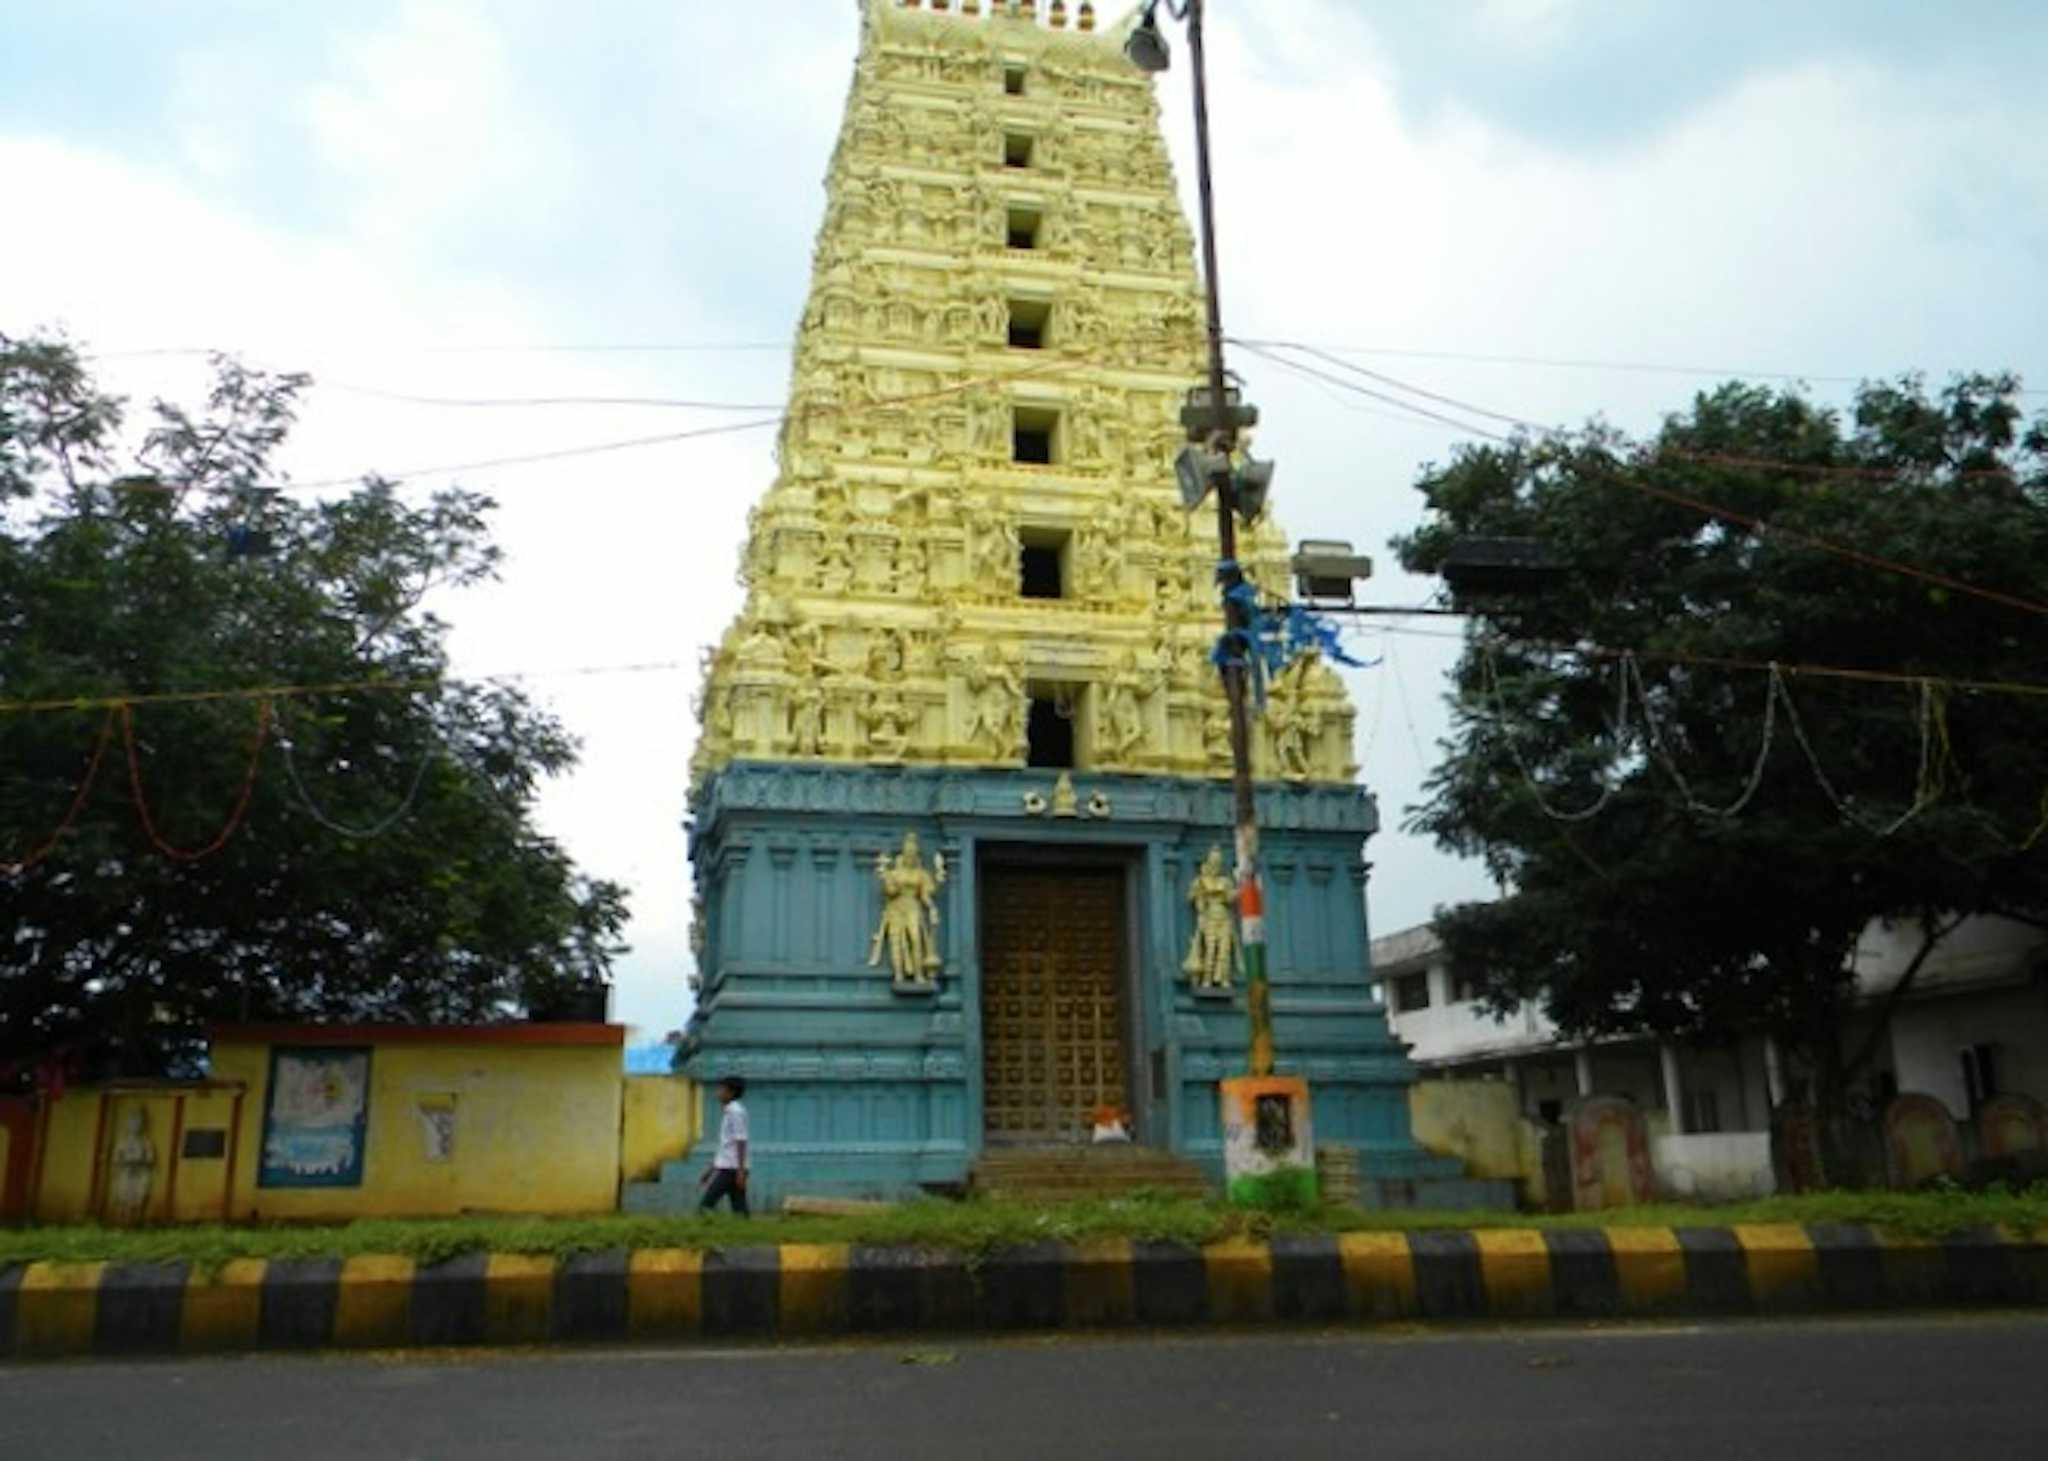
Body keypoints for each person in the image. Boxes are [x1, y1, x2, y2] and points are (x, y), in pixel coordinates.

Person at [698, 1077, 750, 1216]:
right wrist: (710, 1170)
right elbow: (725, 1146)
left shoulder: (736, 1112)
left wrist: (740, 1171)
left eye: (722, 1089)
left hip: (731, 1169)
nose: (718, 1093)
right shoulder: (729, 1112)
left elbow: (741, 1140)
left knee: (706, 1206)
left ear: (731, 1093)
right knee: (739, 1208)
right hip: (728, 1166)